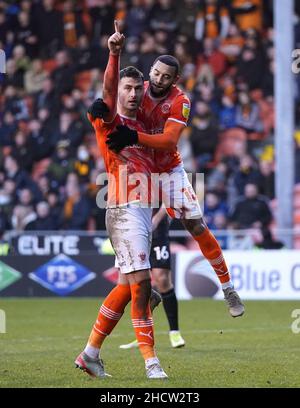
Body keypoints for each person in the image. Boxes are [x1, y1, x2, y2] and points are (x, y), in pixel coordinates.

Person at [103, 53, 245, 318]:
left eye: (166, 76)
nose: (159, 79)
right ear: (151, 71)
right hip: (138, 172)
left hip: (169, 170)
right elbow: (112, 101)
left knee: (196, 225)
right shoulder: (138, 90)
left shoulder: (180, 101)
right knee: (134, 238)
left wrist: (133, 135)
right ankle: (146, 290)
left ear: (175, 79)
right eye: (156, 73)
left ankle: (227, 288)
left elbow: (169, 141)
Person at [75, 21, 167, 380]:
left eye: (137, 89)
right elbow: (108, 87)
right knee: (142, 283)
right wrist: (114, 53)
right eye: (128, 88)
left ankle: (90, 354)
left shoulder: (144, 123)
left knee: (128, 287)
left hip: (143, 210)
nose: (132, 94)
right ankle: (151, 362)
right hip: (122, 208)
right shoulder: (109, 118)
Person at [119, 205, 186, 350]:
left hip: (157, 234)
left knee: (162, 279)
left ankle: (174, 332)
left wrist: (156, 218)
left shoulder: (159, 182)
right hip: (135, 231)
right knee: (134, 282)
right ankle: (143, 333)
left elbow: (168, 198)